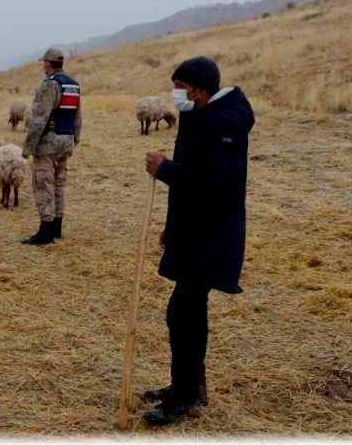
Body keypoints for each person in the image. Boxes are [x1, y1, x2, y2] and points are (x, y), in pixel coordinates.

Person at [140, 55, 253, 425]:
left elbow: (216, 183)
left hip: (212, 235)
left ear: (199, 91)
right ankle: (187, 387)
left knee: (184, 312)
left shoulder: (226, 123)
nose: (174, 95)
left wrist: (166, 170)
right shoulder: (200, 115)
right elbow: (195, 177)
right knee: (186, 312)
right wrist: (172, 229)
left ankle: (186, 396)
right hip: (194, 231)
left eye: (179, 88)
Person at [20, 47, 82, 245]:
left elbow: (39, 119)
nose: (43, 67)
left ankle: (45, 232)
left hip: (48, 145)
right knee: (58, 184)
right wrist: (74, 139)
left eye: (43, 64)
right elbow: (77, 117)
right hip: (65, 143)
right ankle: (56, 228)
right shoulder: (73, 85)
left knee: (43, 184)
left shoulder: (49, 85)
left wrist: (28, 147)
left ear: (47, 64)